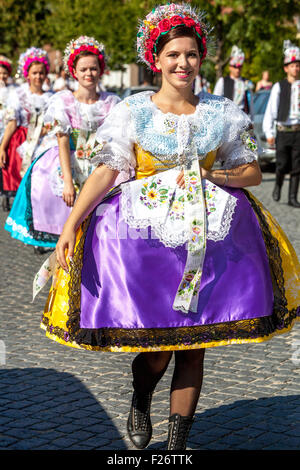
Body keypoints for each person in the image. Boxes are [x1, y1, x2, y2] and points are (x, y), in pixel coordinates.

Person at [35, 3, 300, 451]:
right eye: (174, 54)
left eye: (192, 54)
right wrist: (71, 226)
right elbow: (105, 171)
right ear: (156, 59)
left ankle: (177, 446)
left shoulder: (224, 111)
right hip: (143, 244)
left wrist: (215, 175)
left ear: (202, 58)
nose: (183, 63)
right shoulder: (133, 111)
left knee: (194, 343)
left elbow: (252, 171)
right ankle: (141, 398)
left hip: (214, 238)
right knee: (157, 346)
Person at [5, 36, 123, 252]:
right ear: (74, 72)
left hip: (99, 169)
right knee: (69, 226)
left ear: (101, 70)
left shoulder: (111, 103)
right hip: (72, 166)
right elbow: (62, 142)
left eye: (93, 68)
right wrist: (67, 181)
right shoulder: (64, 102)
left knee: (97, 227)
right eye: (84, 69)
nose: (89, 74)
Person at [0, 48, 52, 211]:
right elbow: (12, 123)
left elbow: (53, 124)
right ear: (27, 74)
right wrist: (2, 147)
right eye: (35, 73)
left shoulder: (51, 97)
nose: (38, 76)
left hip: (43, 142)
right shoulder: (18, 94)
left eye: (41, 73)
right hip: (21, 142)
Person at [263, 41, 300, 207]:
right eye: (292, 65)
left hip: (298, 131)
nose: (296, 68)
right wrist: (269, 132)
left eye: (298, 65)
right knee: (282, 163)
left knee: (298, 166)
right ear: (286, 68)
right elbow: (271, 110)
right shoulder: (279, 86)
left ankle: (293, 197)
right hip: (283, 131)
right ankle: (278, 185)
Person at [214, 45, 253, 114]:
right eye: (235, 67)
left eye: (240, 67)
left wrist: (251, 121)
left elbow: (250, 104)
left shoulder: (246, 82)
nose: (238, 69)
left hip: (242, 117)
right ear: (230, 67)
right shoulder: (223, 81)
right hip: (226, 117)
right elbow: (215, 101)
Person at [0, 55, 14, 209]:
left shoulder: (12, 92)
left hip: (6, 130)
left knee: (4, 162)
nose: (2, 77)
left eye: (4, 74)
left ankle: (6, 193)